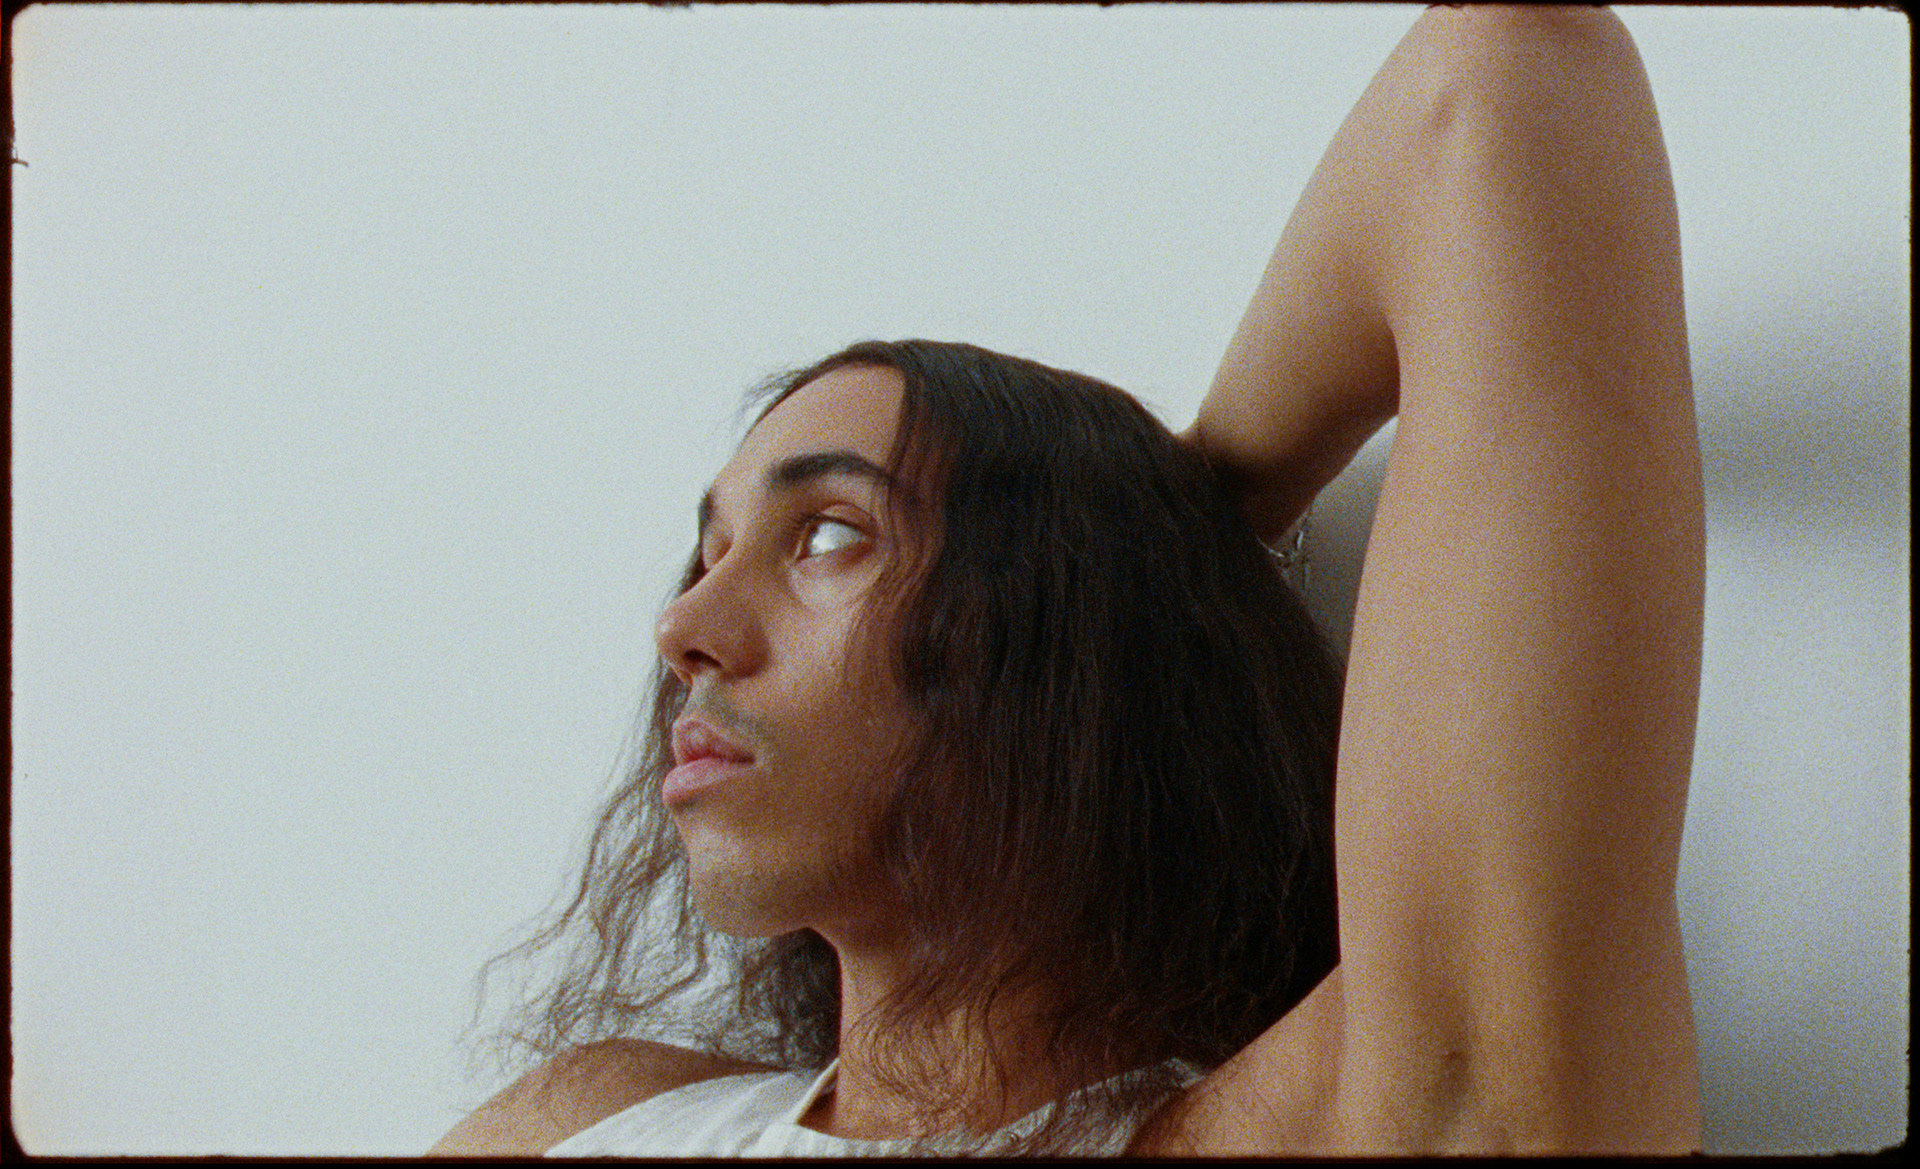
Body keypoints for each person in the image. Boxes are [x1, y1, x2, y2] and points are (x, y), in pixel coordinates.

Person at [430, 4, 1704, 1155]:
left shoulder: (1351, 1117)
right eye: (708, 552)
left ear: (1055, 645)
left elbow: (1502, 86)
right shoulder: (588, 1118)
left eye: (826, 535)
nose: (684, 626)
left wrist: (1178, 523)